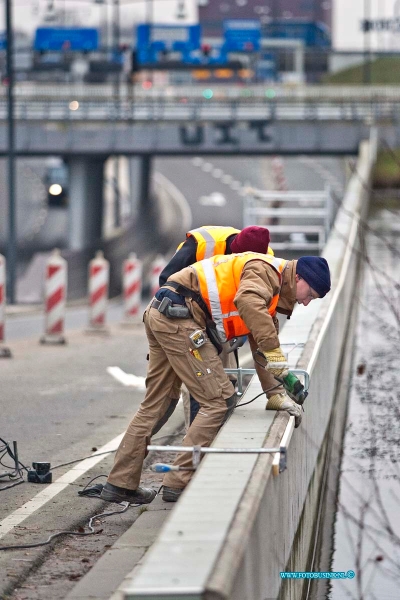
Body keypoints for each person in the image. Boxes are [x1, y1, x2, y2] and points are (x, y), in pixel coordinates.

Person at [100, 253, 331, 505]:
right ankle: (177, 482)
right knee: (218, 399)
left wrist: (276, 395)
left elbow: (260, 345)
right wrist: (275, 353)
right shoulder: (265, 272)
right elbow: (249, 304)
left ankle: (119, 483)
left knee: (159, 402)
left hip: (163, 313)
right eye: (310, 294)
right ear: (298, 277)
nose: (307, 303)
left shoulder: (270, 291)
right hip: (180, 319)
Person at [159, 225, 273, 426]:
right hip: (190, 321)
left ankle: (216, 434)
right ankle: (196, 443)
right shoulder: (202, 245)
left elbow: (261, 306)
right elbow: (166, 283)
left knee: (226, 380)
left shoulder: (265, 257)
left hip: (222, 326)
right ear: (233, 253)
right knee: (199, 383)